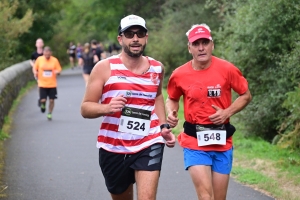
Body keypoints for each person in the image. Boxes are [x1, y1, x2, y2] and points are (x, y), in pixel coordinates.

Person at [81, 14, 175, 200]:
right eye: (129, 34)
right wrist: (106, 108)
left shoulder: (157, 68)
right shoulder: (104, 67)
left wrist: (163, 126)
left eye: (140, 34)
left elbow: (156, 96)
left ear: (146, 37)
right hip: (113, 146)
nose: (135, 39)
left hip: (149, 140)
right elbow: (85, 108)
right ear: (120, 38)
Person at [166, 24, 252, 200]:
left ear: (212, 45)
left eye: (205, 42)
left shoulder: (227, 69)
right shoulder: (179, 74)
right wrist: (171, 112)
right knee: (206, 197)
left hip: (222, 139)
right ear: (189, 48)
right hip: (194, 140)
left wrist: (227, 112)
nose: (201, 47)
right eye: (196, 43)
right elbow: (172, 98)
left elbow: (246, 95)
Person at [34, 46, 62, 120]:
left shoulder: (54, 60)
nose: (47, 56)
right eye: (45, 54)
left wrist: (57, 72)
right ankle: (42, 104)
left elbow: (59, 70)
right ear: (43, 53)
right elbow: (35, 68)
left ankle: (49, 113)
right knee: (43, 99)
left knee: (52, 100)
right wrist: (35, 72)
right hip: (42, 84)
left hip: (52, 84)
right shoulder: (39, 59)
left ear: (51, 53)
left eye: (48, 55)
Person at [30, 38, 44, 107]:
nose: (39, 44)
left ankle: (43, 98)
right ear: (36, 44)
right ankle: (40, 97)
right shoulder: (34, 54)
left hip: (45, 73)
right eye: (38, 43)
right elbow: (31, 61)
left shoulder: (45, 53)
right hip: (38, 72)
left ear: (43, 44)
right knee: (40, 85)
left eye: (40, 42)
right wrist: (34, 66)